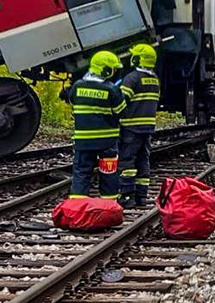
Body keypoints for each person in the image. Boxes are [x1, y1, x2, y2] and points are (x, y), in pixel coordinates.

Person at [68, 51, 126, 201]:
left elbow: (72, 102)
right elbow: (121, 112)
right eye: (113, 69)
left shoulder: (77, 86)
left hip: (83, 141)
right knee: (108, 173)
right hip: (107, 142)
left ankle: (77, 205)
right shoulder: (111, 89)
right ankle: (109, 204)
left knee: (81, 173)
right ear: (106, 70)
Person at [115, 43, 160, 209]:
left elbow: (121, 102)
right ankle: (142, 196)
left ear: (138, 59)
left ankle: (127, 196)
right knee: (143, 161)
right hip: (147, 128)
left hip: (130, 128)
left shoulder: (132, 78)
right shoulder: (154, 79)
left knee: (126, 162)